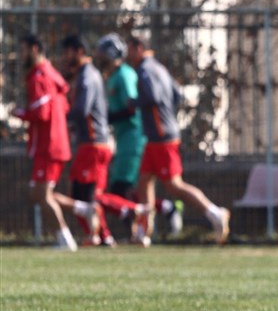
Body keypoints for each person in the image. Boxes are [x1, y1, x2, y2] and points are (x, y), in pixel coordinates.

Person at [126, 35, 230, 245]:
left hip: (162, 136)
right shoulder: (159, 68)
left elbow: (152, 97)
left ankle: (215, 213)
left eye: (129, 49)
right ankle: (143, 232)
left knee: (174, 186)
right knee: (144, 181)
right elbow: (175, 95)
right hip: (158, 135)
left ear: (138, 48)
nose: (127, 54)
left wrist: (133, 102)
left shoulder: (145, 70)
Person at [94, 33, 182, 236]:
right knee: (135, 189)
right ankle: (161, 211)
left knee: (121, 189)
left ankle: (152, 218)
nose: (100, 59)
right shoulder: (115, 75)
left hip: (133, 138)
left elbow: (131, 107)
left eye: (103, 54)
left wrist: (105, 117)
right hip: (124, 138)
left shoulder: (125, 75)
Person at [12, 34, 77, 251]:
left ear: (35, 49)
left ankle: (65, 238)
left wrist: (19, 112)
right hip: (56, 142)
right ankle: (84, 209)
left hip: (48, 144)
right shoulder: (52, 74)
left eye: (23, 50)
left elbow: (42, 112)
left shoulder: (39, 77)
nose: (21, 55)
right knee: (37, 193)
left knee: (41, 194)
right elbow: (63, 108)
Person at [60, 34, 116, 246]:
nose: (64, 58)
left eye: (67, 53)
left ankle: (133, 212)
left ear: (79, 52)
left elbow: (82, 109)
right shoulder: (85, 75)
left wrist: (61, 117)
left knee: (87, 195)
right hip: (92, 143)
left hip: (93, 144)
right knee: (83, 194)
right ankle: (101, 236)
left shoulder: (87, 76)